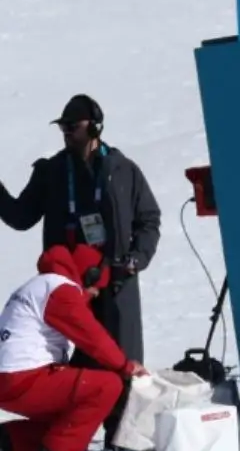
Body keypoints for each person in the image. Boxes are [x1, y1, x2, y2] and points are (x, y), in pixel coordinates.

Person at [0, 95, 161, 365]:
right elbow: (21, 217)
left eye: (72, 127)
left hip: (116, 282)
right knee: (71, 367)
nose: (66, 133)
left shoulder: (123, 170)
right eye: (63, 128)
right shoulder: (52, 172)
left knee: (122, 364)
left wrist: (138, 258)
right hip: (69, 286)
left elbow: (149, 219)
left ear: (94, 127)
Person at [0, 244, 146, 451]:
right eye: (96, 287)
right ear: (89, 275)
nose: (95, 294)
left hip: (12, 378)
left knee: (69, 418)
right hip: (23, 378)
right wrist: (125, 367)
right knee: (107, 386)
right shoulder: (61, 290)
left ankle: (6, 442)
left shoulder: (42, 285)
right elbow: (92, 337)